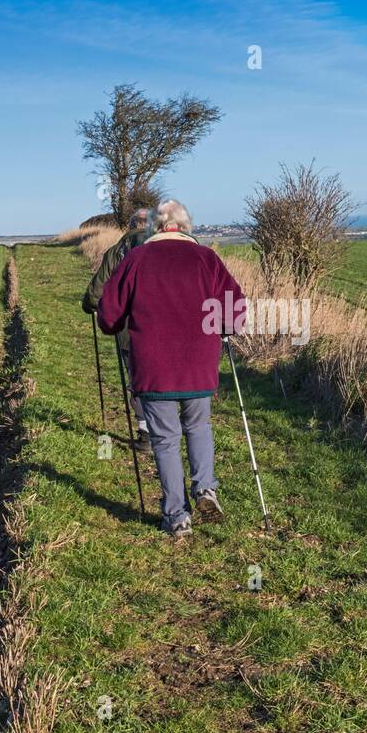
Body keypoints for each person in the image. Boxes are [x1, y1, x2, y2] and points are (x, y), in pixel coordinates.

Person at [97, 199, 246, 537]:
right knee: (198, 425)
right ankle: (206, 489)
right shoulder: (206, 258)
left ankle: (177, 517)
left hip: (154, 366)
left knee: (164, 438)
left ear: (155, 228)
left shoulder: (136, 259)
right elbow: (236, 309)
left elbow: (108, 314)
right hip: (199, 362)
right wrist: (220, 324)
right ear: (185, 226)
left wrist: (118, 321)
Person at [82, 207, 152, 450]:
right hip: (166, 330)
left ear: (130, 226)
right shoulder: (166, 249)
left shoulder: (117, 252)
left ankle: (146, 435)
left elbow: (96, 292)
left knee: (138, 381)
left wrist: (89, 305)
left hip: (129, 331)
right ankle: (168, 428)